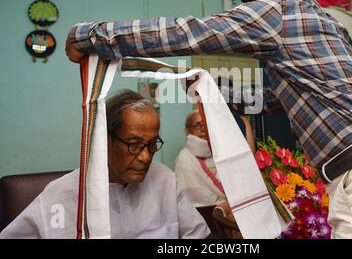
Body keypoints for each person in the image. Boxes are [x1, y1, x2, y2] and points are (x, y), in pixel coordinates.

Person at [65, 0, 352, 239]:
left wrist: (89, 36)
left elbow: (188, 31)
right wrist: (218, 94)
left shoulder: (277, 10)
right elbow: (284, 99)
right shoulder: (325, 20)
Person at [0, 90, 210, 239]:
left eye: (152, 144)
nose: (146, 157)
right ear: (103, 139)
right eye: (134, 145)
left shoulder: (164, 180)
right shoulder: (61, 195)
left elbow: (198, 235)